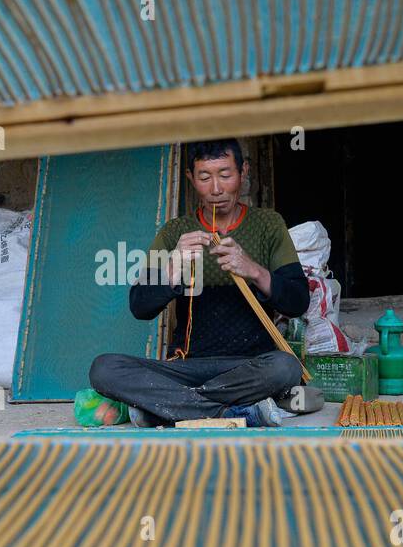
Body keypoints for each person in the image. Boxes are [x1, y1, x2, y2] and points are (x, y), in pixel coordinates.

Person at [88, 138, 309, 427]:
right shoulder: (174, 232)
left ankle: (170, 407)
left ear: (243, 171)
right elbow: (140, 306)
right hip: (184, 366)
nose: (216, 189)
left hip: (248, 367)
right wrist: (173, 268)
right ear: (191, 178)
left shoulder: (268, 224)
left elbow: (298, 301)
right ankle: (227, 413)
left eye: (226, 175)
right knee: (104, 368)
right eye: (205, 177)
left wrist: (253, 270)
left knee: (285, 367)